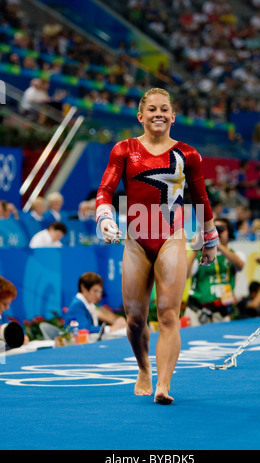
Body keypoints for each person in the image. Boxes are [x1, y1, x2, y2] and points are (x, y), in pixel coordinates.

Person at [95, 87, 218, 404]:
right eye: (151, 109)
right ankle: (144, 368)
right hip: (136, 238)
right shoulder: (124, 149)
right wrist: (105, 218)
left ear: (174, 116)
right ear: (140, 116)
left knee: (168, 314)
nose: (158, 113)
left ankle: (163, 384)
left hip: (172, 237)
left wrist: (210, 239)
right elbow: (105, 190)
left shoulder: (187, 155)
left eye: (164, 108)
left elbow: (201, 198)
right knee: (135, 320)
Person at [186, 217, 245, 324]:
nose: (217, 232)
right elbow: (186, 274)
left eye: (221, 229)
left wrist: (217, 243)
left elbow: (240, 265)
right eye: (214, 229)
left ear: (229, 232)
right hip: (198, 310)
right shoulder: (200, 256)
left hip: (222, 311)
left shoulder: (235, 254)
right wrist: (195, 250)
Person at [0, 276, 27, 348]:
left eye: (9, 304)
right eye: (4, 304)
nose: (7, 308)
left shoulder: (3, 318)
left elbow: (23, 336)